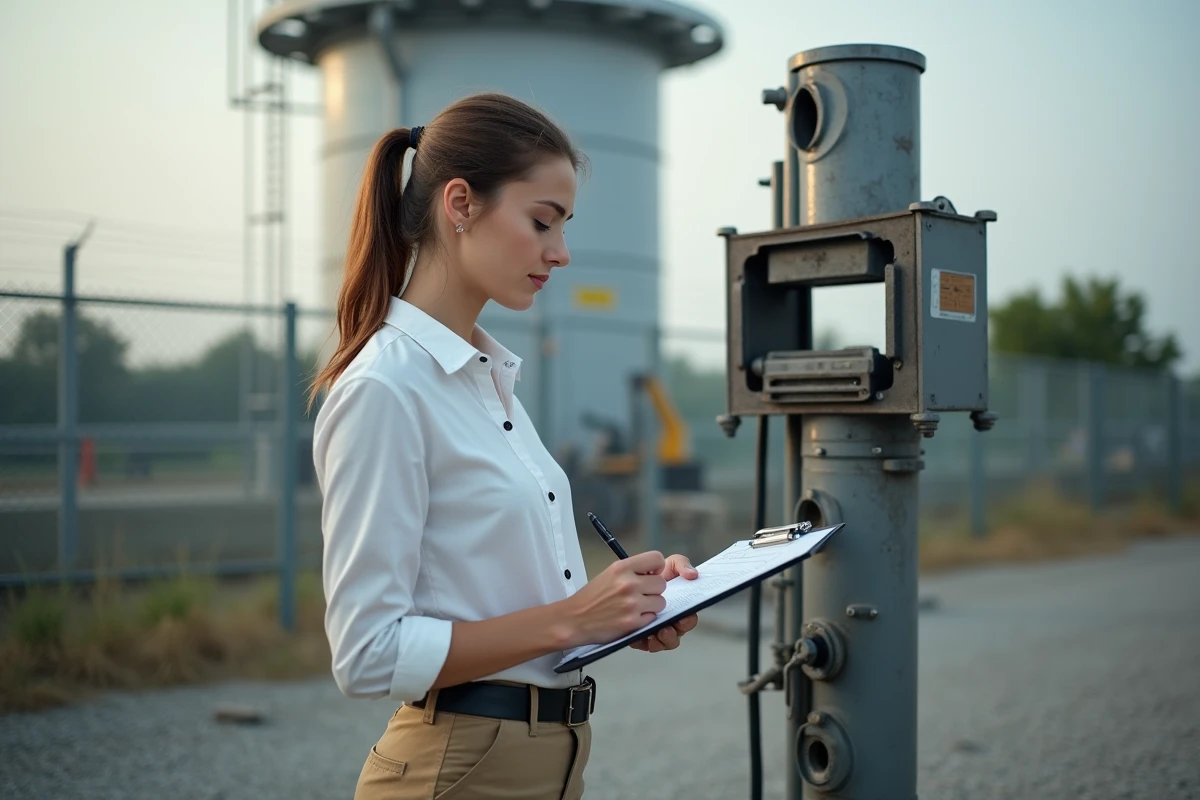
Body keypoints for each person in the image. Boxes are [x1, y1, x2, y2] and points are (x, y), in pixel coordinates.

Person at [308, 93, 701, 800]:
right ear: (460, 204)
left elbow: (506, 607)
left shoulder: (489, 384)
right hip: (455, 768)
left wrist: (619, 610)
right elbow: (367, 655)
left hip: (551, 759)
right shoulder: (386, 389)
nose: (562, 251)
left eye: (564, 226)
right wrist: (567, 619)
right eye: (541, 221)